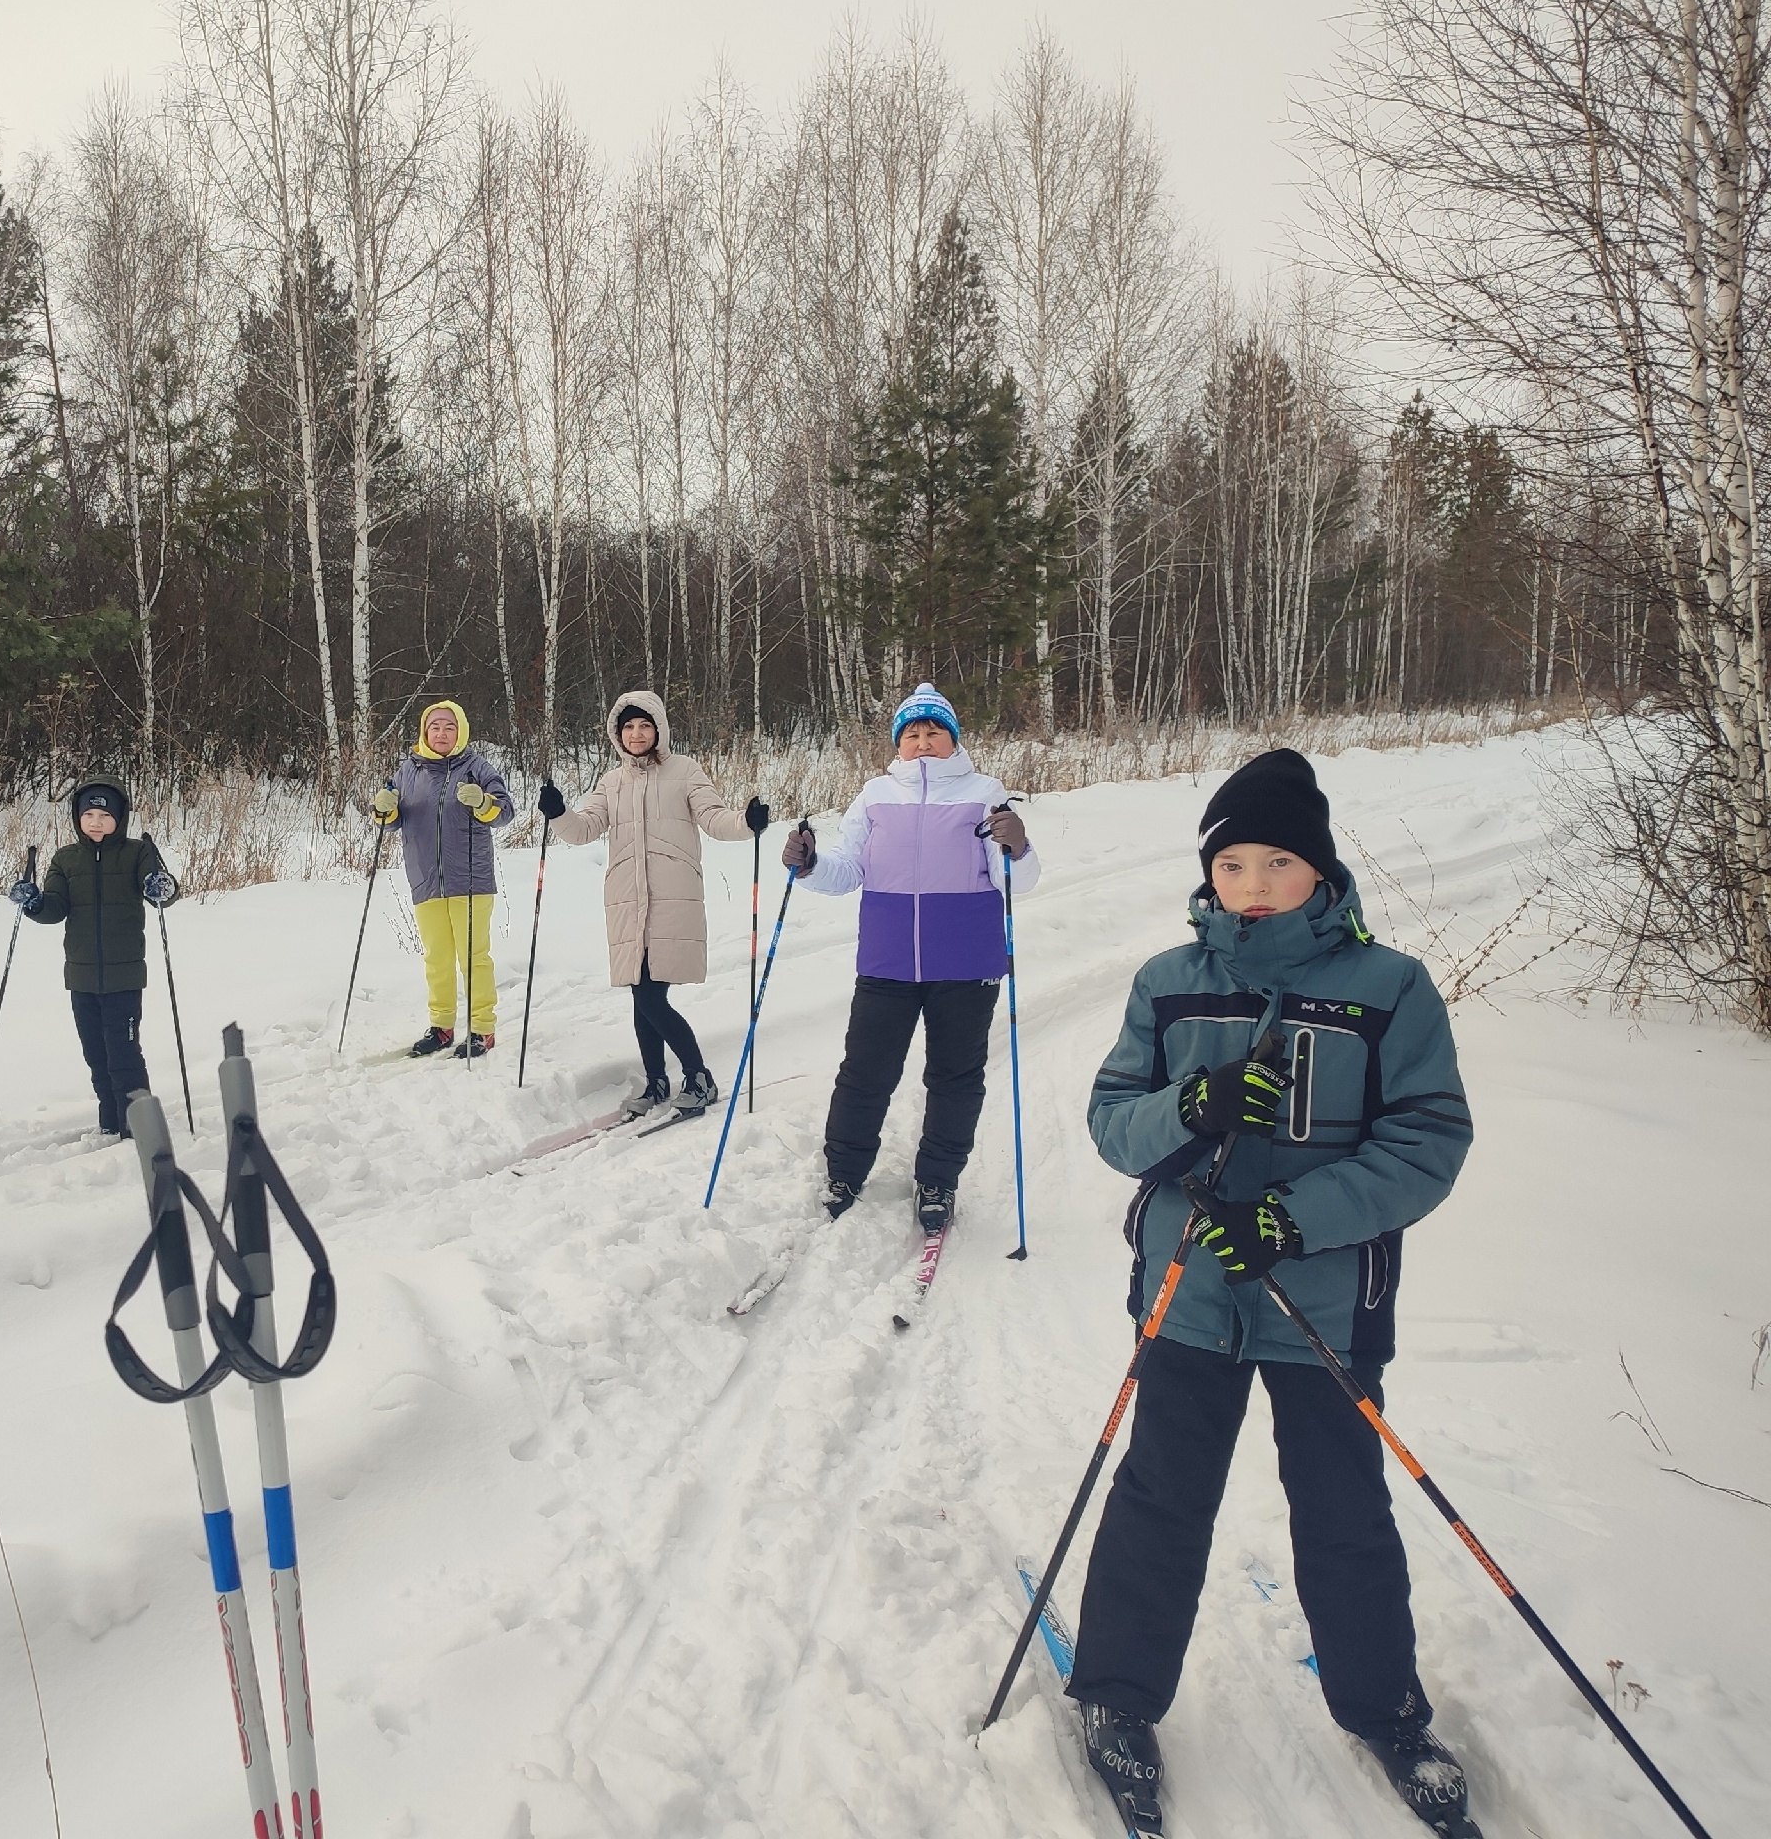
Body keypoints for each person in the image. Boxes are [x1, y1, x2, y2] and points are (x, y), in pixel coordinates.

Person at [1068, 748, 1477, 1836]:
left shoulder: (1387, 987)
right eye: (1232, 863)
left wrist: (1294, 1220)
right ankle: (1115, 1695)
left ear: (1320, 872)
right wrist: (1191, 1107)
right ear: (1209, 875)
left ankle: (1384, 1709)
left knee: (1344, 1510)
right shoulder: (1168, 981)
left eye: (1277, 861)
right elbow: (1114, 1124)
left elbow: (1429, 1140)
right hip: (1188, 1293)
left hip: (1327, 1302)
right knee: (1161, 1494)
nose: (1251, 884)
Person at [782, 682, 1036, 1231]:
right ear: (899, 744)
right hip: (888, 960)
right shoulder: (875, 795)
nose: (923, 742)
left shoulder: (984, 792)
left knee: (955, 1077)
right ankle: (845, 1171)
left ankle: (939, 1179)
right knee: (865, 1073)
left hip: (967, 964)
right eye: (912, 734)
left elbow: (1018, 880)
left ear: (953, 740)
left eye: (934, 732)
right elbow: (847, 871)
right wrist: (808, 864)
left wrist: (1018, 845)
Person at [537, 690, 769, 1116]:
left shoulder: (685, 771)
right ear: (617, 733)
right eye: (628, 726)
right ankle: (657, 1082)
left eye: (645, 725)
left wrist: (747, 822)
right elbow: (583, 830)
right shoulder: (611, 781)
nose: (637, 733)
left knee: (650, 997)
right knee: (639, 995)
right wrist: (558, 813)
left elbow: (715, 818)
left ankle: (699, 1077)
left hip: (671, 896)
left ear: (659, 729)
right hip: (627, 899)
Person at [8, 778, 179, 1139]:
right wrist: (34, 903)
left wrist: (162, 887)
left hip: (124, 977)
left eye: (104, 814)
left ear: (120, 818)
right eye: (88, 813)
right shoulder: (66, 859)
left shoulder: (135, 853)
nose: (96, 821)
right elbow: (55, 908)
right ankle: (110, 1121)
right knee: (96, 1055)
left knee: (124, 1055)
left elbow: (160, 889)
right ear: (77, 817)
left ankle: (138, 1124)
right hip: (81, 979)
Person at [371, 699, 514, 1058]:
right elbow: (393, 819)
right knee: (436, 957)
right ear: (424, 732)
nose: (442, 733)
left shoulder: (477, 767)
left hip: (470, 878)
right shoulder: (409, 771)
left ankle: (482, 1029)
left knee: (473, 956)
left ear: (461, 731)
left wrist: (483, 802)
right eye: (435, 727)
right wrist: (383, 809)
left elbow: (504, 811)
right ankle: (442, 1026)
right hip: (425, 878)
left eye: (449, 727)